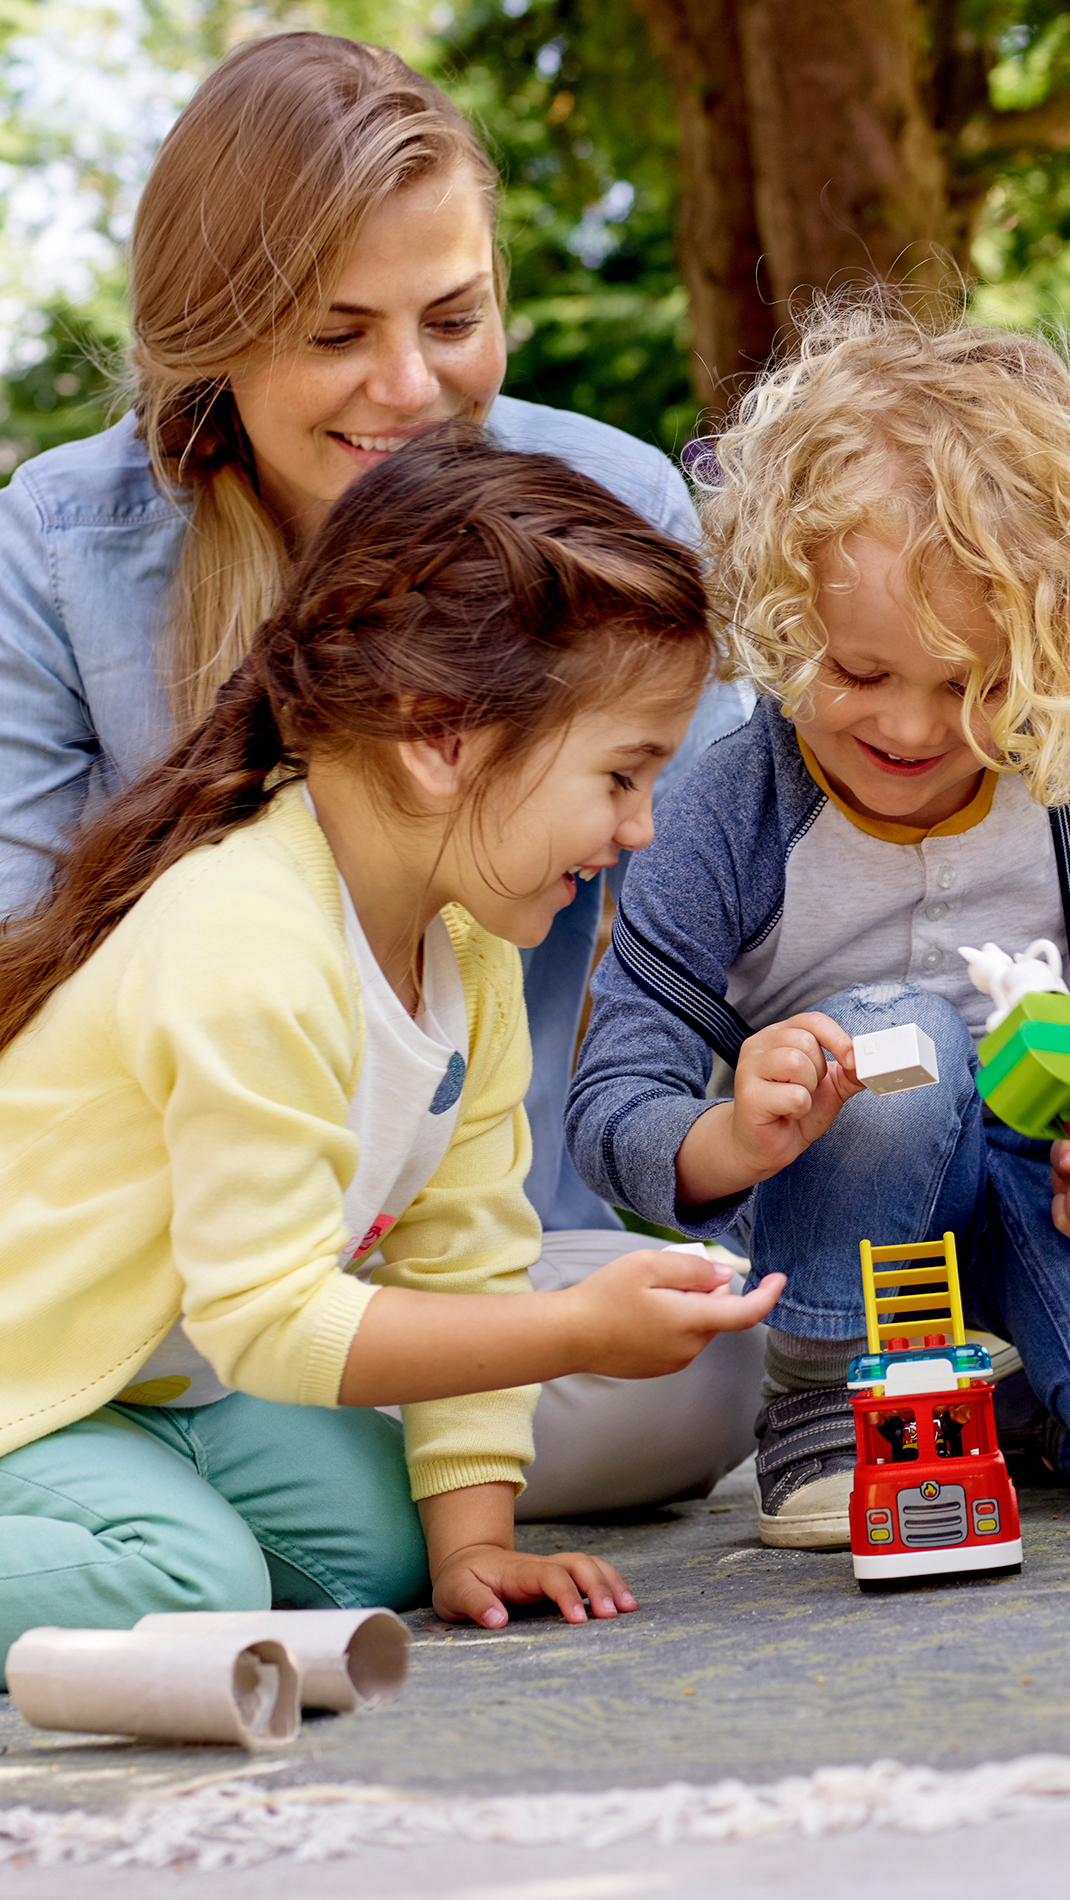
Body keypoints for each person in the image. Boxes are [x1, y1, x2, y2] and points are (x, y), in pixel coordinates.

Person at [0, 432, 783, 1676]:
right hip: (28, 1386)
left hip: (154, 1391)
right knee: (190, 1577)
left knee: (380, 1549)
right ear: (441, 736)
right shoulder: (245, 938)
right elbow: (270, 1324)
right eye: (622, 775)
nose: (641, 828)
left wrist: (473, 1543)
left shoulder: (462, 948)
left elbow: (469, 1250)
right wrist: (573, 1330)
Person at [0, 30, 746, 1240]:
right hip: (177, 1252)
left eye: (452, 320)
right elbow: (17, 970)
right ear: (214, 335)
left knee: (685, 1387)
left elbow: (709, 924)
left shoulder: (624, 517)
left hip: (511, 1236)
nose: (408, 388)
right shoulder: (56, 551)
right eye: (334, 336)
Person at [567, 305, 1070, 1550]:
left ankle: (1004, 1397)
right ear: (785, 623)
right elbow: (613, 1095)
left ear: (1059, 651)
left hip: (1041, 1185)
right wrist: (727, 1134)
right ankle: (827, 1402)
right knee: (899, 1047)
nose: (909, 728)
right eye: (860, 672)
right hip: (832, 1192)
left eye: (975, 683)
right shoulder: (725, 812)